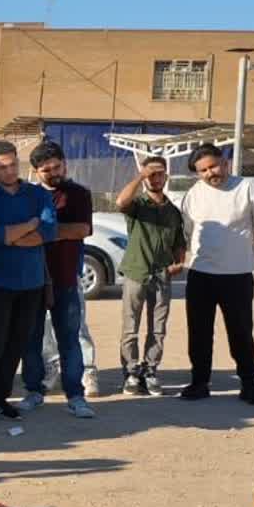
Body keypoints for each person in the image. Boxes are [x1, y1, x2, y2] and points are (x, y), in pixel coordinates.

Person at [176, 143, 254, 404]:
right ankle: (199, 382)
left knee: (240, 331)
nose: (210, 173)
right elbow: (188, 232)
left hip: (237, 275)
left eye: (213, 166)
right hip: (200, 273)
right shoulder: (193, 194)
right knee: (199, 331)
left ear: (225, 162)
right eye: (203, 170)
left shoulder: (249, 189)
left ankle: (249, 383)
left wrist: (237, 248)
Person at [0, 140, 57, 424]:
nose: (9, 171)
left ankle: (0, 397)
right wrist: (30, 225)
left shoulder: (38, 195)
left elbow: (49, 232)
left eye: (13, 165)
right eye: (2, 167)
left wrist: (12, 235)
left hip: (31, 283)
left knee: (17, 344)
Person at [21, 140, 97, 419]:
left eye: (57, 167)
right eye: (46, 169)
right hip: (31, 280)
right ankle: (34, 391)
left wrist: (42, 232)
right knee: (31, 340)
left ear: (64, 164)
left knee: (69, 339)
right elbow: (19, 233)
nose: (54, 173)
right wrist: (51, 231)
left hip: (65, 279)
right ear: (35, 171)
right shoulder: (27, 195)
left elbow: (81, 230)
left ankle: (75, 395)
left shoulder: (78, 194)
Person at [114, 155, 186, 396]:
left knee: (158, 327)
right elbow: (121, 201)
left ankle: (150, 370)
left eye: (159, 174)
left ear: (166, 176)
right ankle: (131, 373)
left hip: (162, 275)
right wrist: (140, 177)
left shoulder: (173, 211)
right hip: (137, 272)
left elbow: (179, 242)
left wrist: (179, 263)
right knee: (130, 326)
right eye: (150, 174)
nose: (155, 178)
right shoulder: (138, 205)